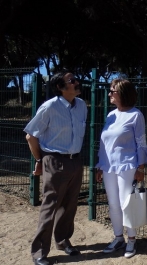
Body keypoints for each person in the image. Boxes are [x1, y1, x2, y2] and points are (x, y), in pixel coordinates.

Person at [25, 70, 88, 265]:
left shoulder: (82, 106)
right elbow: (30, 135)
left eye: (76, 78)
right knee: (50, 207)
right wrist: (39, 160)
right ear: (61, 87)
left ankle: (62, 240)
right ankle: (39, 253)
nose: (77, 82)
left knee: (70, 206)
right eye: (72, 80)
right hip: (54, 161)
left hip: (76, 161)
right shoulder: (49, 107)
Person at [95, 78, 147, 259]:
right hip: (108, 166)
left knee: (127, 203)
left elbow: (141, 142)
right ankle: (118, 237)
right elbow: (105, 143)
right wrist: (99, 166)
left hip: (127, 166)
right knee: (113, 204)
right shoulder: (111, 115)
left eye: (113, 91)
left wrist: (140, 168)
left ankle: (132, 239)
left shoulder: (136, 115)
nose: (109, 94)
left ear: (123, 94)